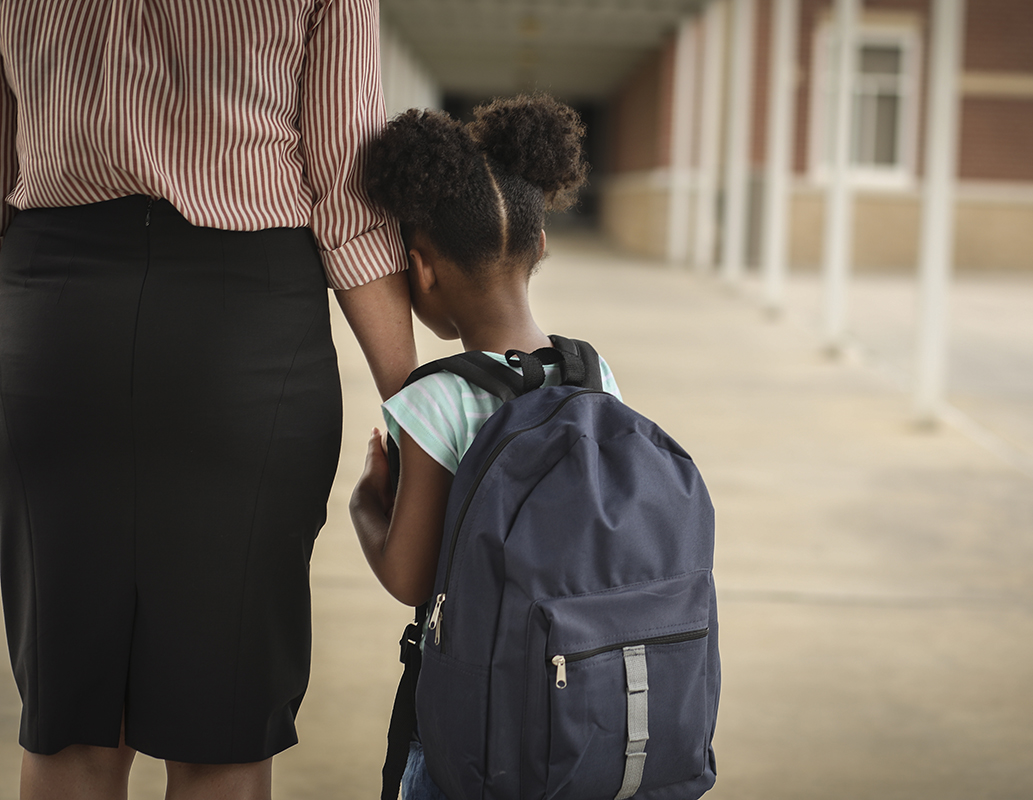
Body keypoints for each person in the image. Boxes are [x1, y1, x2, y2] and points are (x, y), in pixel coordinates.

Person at [0, 3, 415, 799]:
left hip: (54, 323)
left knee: (71, 722)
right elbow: (347, 193)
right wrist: (415, 416)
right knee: (220, 732)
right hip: (244, 331)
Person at [348, 94, 619, 800]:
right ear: (542, 247)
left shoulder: (435, 400)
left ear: (423, 269)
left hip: (476, 732)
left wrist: (365, 505)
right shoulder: (596, 375)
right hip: (587, 712)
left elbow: (409, 577)